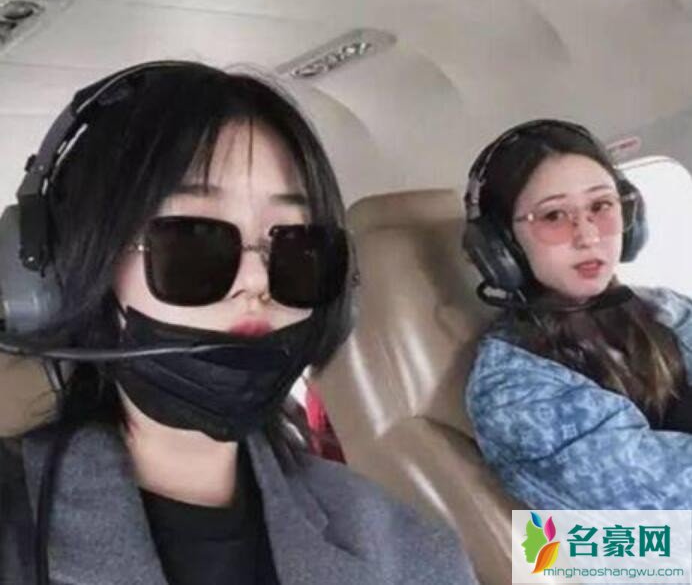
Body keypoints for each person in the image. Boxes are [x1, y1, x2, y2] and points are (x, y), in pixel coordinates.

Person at [0, 61, 477, 585]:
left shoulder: (403, 540)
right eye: (194, 239)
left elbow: (549, 556)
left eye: (295, 242)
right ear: (70, 272)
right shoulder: (505, 373)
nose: (257, 279)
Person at [463, 119, 692, 510]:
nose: (588, 236)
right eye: (553, 216)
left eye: (601, 206)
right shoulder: (514, 390)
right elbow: (662, 500)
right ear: (502, 247)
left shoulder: (663, 307)